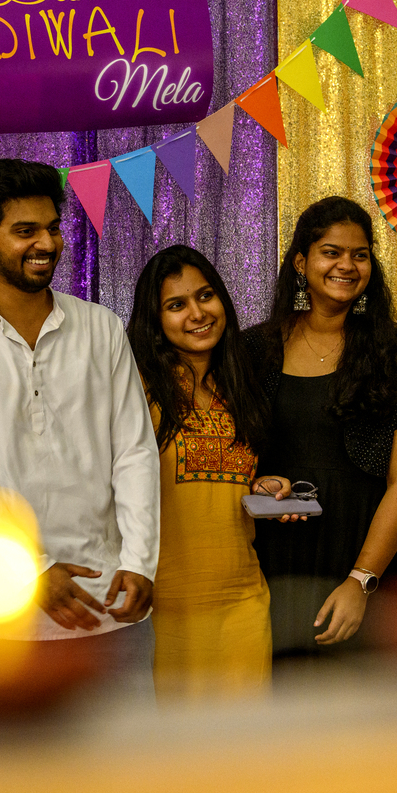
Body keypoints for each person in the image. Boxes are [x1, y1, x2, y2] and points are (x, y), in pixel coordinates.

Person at [0, 158, 161, 695]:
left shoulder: (101, 328)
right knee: (4, 778)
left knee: (127, 775)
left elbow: (134, 451)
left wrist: (141, 562)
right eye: (25, 232)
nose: (46, 243)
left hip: (107, 602)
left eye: (52, 228)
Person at [245, 196, 397, 656]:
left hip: (367, 556)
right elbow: (232, 455)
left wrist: (361, 581)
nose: (346, 265)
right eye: (331, 252)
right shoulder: (254, 350)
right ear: (301, 261)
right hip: (278, 562)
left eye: (360, 254)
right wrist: (256, 483)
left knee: (378, 715)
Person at [127, 245, 295, 698]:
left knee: (241, 757)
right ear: (155, 319)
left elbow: (235, 481)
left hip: (243, 601)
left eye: (205, 296)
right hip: (162, 606)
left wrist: (266, 486)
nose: (197, 313)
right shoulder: (135, 389)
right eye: (176, 305)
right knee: (174, 758)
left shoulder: (242, 386)